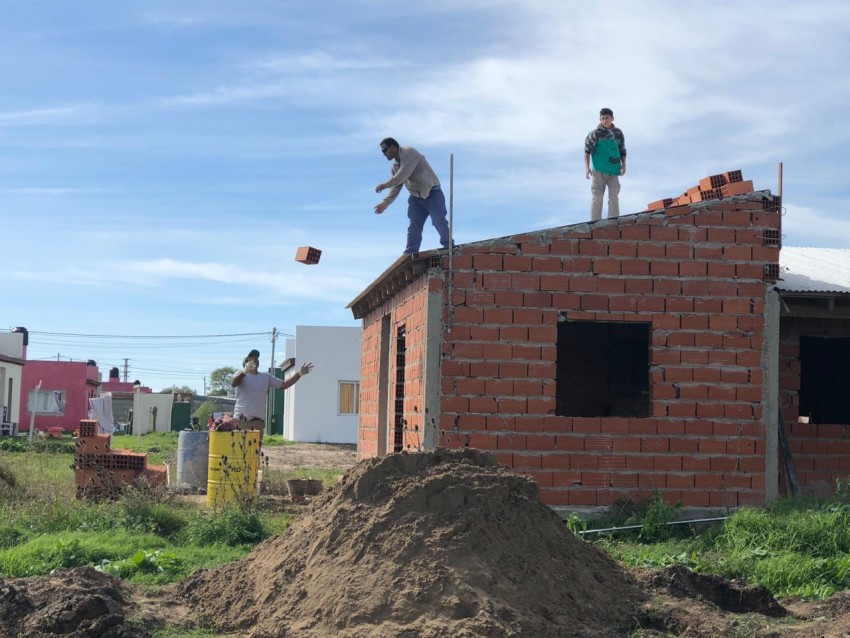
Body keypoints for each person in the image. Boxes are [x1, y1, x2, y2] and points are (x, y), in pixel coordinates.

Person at [374, 137, 451, 255]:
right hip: (416, 198)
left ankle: (449, 246)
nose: (383, 154)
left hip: (432, 193)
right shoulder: (395, 167)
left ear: (393, 147)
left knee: (438, 220)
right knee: (413, 227)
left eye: (384, 150)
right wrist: (385, 204)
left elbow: (403, 174)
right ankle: (410, 253)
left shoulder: (409, 152)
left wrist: (386, 184)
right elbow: (396, 187)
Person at [229, 349, 313, 431]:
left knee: (256, 445)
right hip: (240, 420)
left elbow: (285, 384)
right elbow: (234, 383)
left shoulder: (266, 377)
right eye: (251, 357)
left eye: (257, 358)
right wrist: (244, 372)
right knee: (239, 444)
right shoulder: (240, 375)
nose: (255, 359)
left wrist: (299, 373)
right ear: (246, 363)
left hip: (258, 421)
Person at [584, 108, 627, 221]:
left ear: (612, 118)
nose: (605, 120)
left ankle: (613, 220)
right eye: (602, 118)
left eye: (607, 118)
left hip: (613, 170)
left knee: (614, 195)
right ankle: (594, 222)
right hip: (598, 170)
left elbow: (622, 150)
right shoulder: (595, 134)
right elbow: (587, 151)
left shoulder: (617, 133)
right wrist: (587, 169)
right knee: (597, 196)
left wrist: (624, 165)